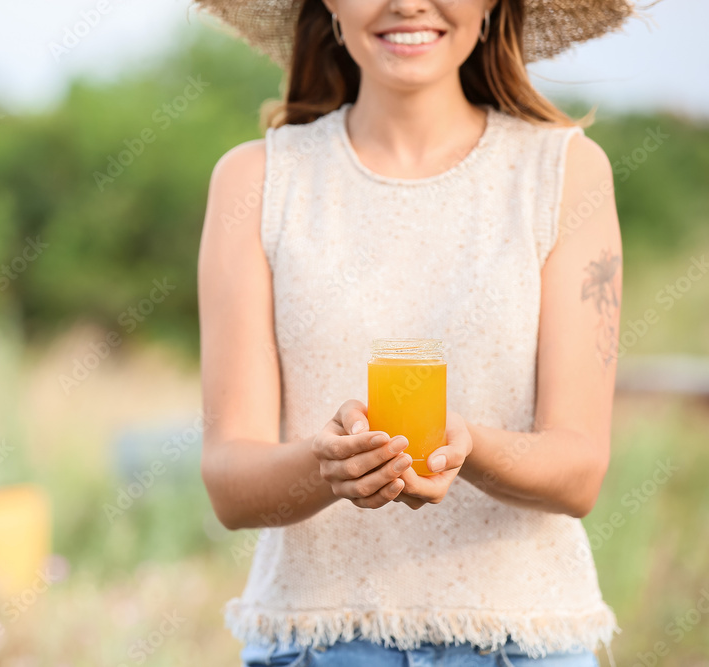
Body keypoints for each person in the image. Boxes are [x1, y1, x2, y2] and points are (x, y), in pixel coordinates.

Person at [194, 0, 637, 665]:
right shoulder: (255, 182)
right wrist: (327, 465)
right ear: (330, 8)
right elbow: (230, 478)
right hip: (316, 645)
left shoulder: (567, 174)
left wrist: (470, 448)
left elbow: (578, 470)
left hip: (524, 644)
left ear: (491, 7)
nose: (405, 2)